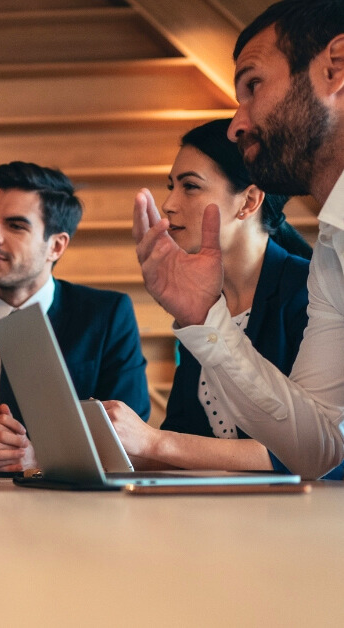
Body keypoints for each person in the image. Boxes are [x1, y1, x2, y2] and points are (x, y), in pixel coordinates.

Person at [133, 0, 344, 479]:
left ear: (335, 67)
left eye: (253, 85)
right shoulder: (331, 255)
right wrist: (204, 321)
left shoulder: (305, 272)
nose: (237, 123)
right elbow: (321, 451)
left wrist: (156, 442)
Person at [105, 119, 344, 478]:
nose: (168, 204)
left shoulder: (310, 292)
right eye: (171, 186)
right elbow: (186, 437)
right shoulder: (201, 301)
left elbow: (310, 453)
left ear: (249, 200)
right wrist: (59, 457)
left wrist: (154, 441)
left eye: (190, 187)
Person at [0, 161, 150, 472]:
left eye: (15, 225)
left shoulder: (106, 316)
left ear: (56, 245)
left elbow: (131, 439)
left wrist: (39, 459)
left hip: (75, 510)